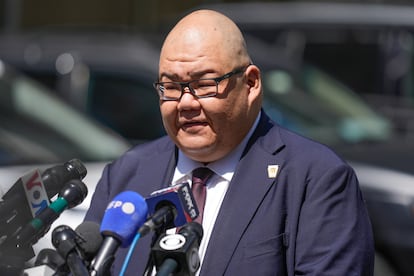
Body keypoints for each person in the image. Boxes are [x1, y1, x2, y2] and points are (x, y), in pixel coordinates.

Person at [85, 9, 374, 276]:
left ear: (250, 84)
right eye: (171, 87)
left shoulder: (316, 179)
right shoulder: (127, 175)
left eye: (204, 85)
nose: (185, 102)